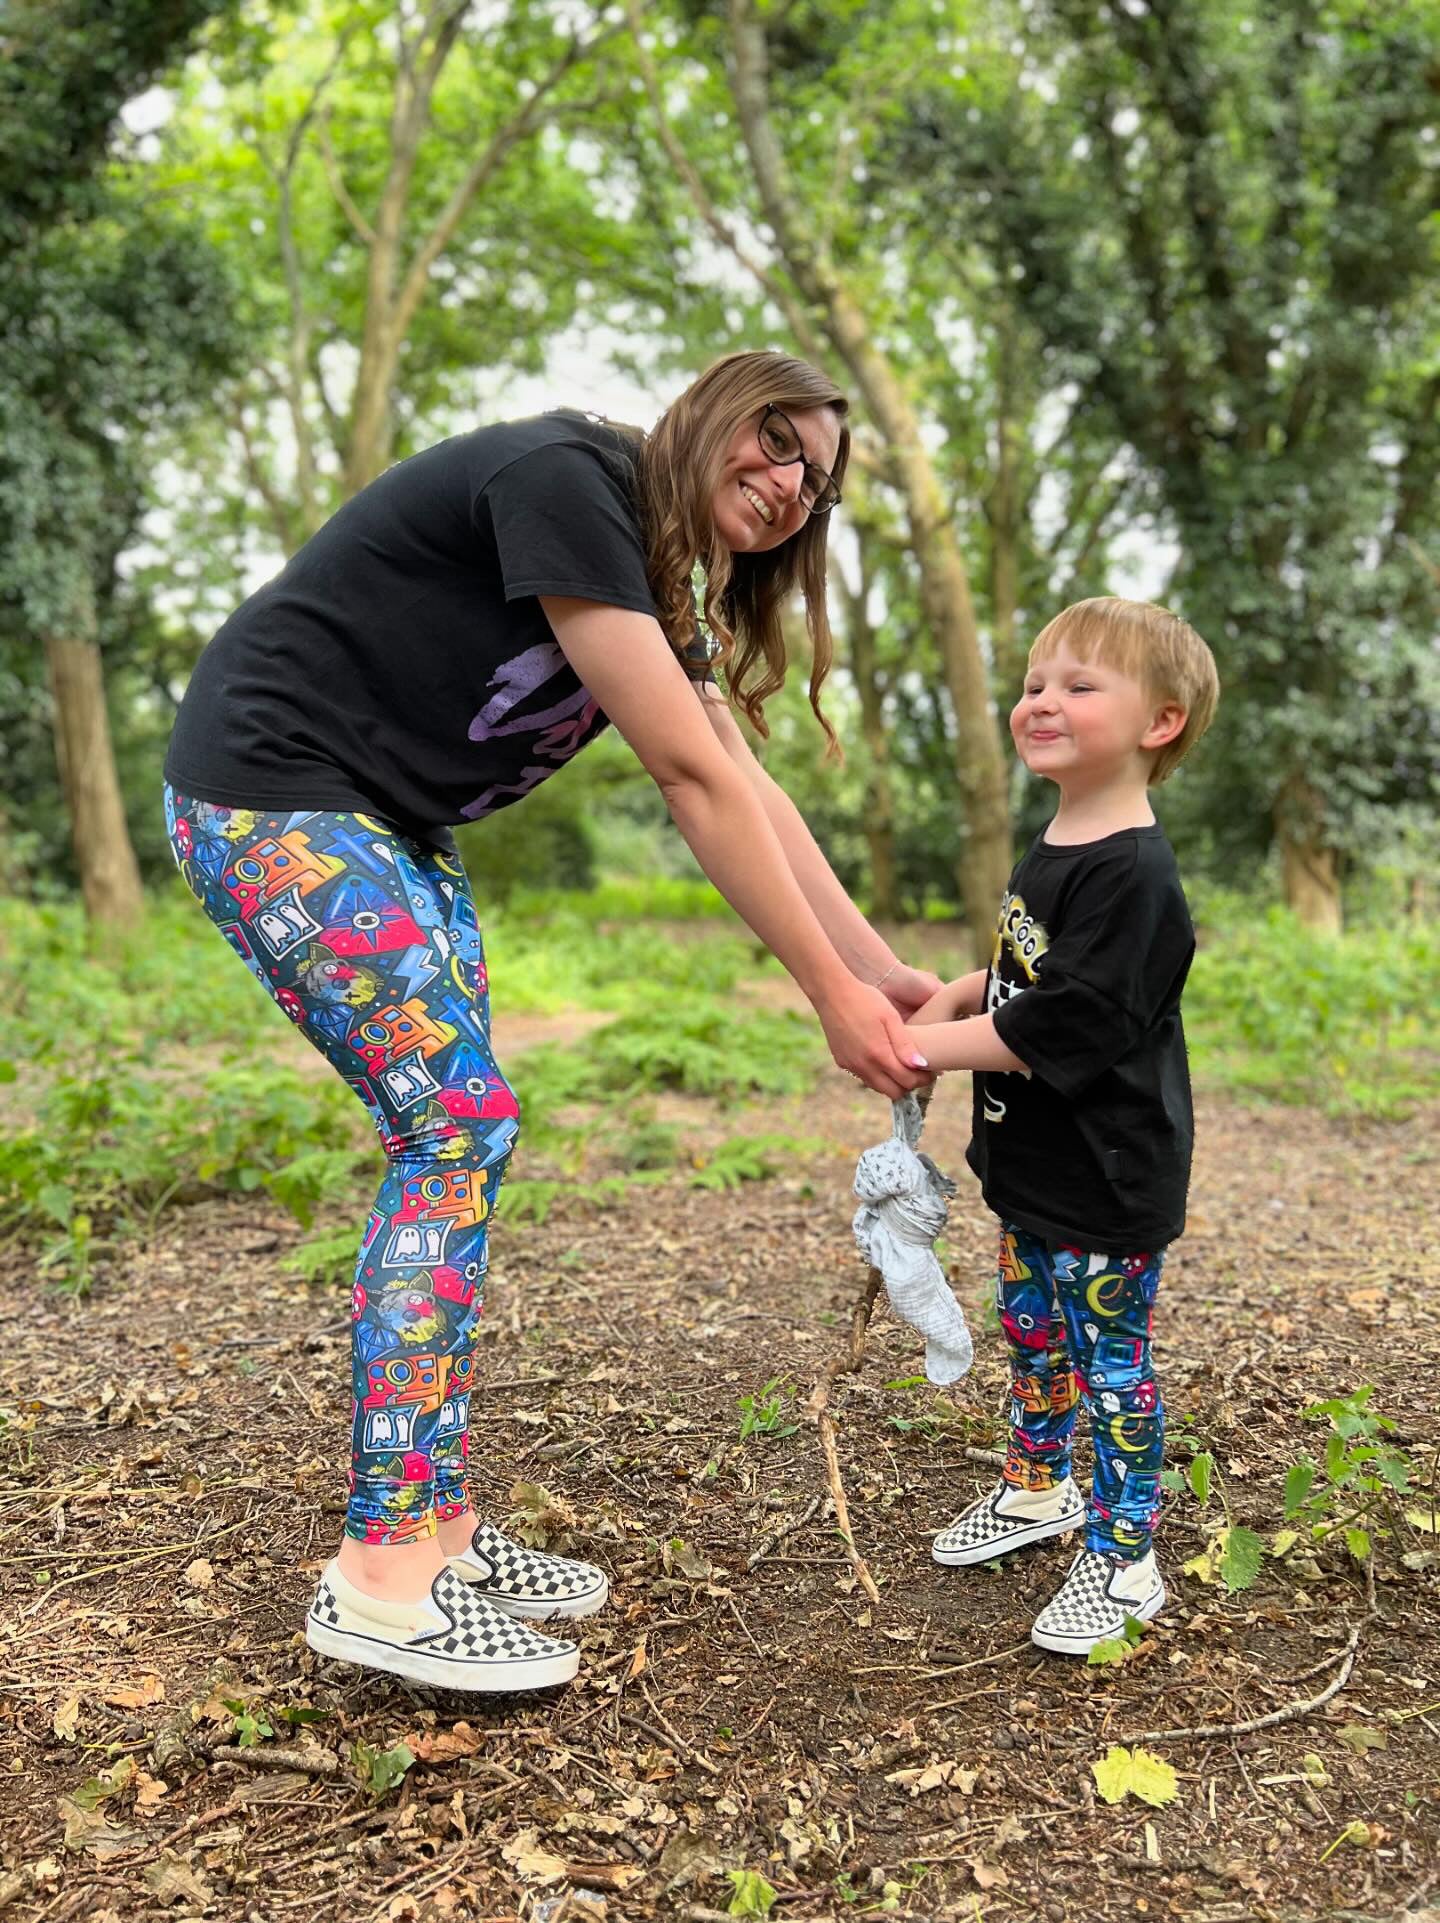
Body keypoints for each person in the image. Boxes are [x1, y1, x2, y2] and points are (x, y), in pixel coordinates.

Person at [161, 351, 939, 1693]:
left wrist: (882, 970)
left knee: (462, 1133)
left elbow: (743, 779)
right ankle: (386, 1574)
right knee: (455, 1123)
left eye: (818, 474)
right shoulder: (572, 477)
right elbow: (689, 778)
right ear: (706, 410)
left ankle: (441, 1527)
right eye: (774, 439)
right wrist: (827, 998)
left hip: (392, 826)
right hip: (275, 791)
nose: (791, 482)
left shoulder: (654, 575)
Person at [901, 597, 1219, 1656]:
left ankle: (1127, 1555)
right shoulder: (1057, 841)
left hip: (1107, 1180)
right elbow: (1031, 970)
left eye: (1080, 686)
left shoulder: (1137, 873)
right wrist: (960, 989)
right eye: (1037, 683)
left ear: (1158, 723)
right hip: (1033, 1169)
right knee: (1034, 1338)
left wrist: (918, 1051)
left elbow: (1062, 1021)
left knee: (1108, 1360)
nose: (1043, 701)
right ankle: (1038, 1489)